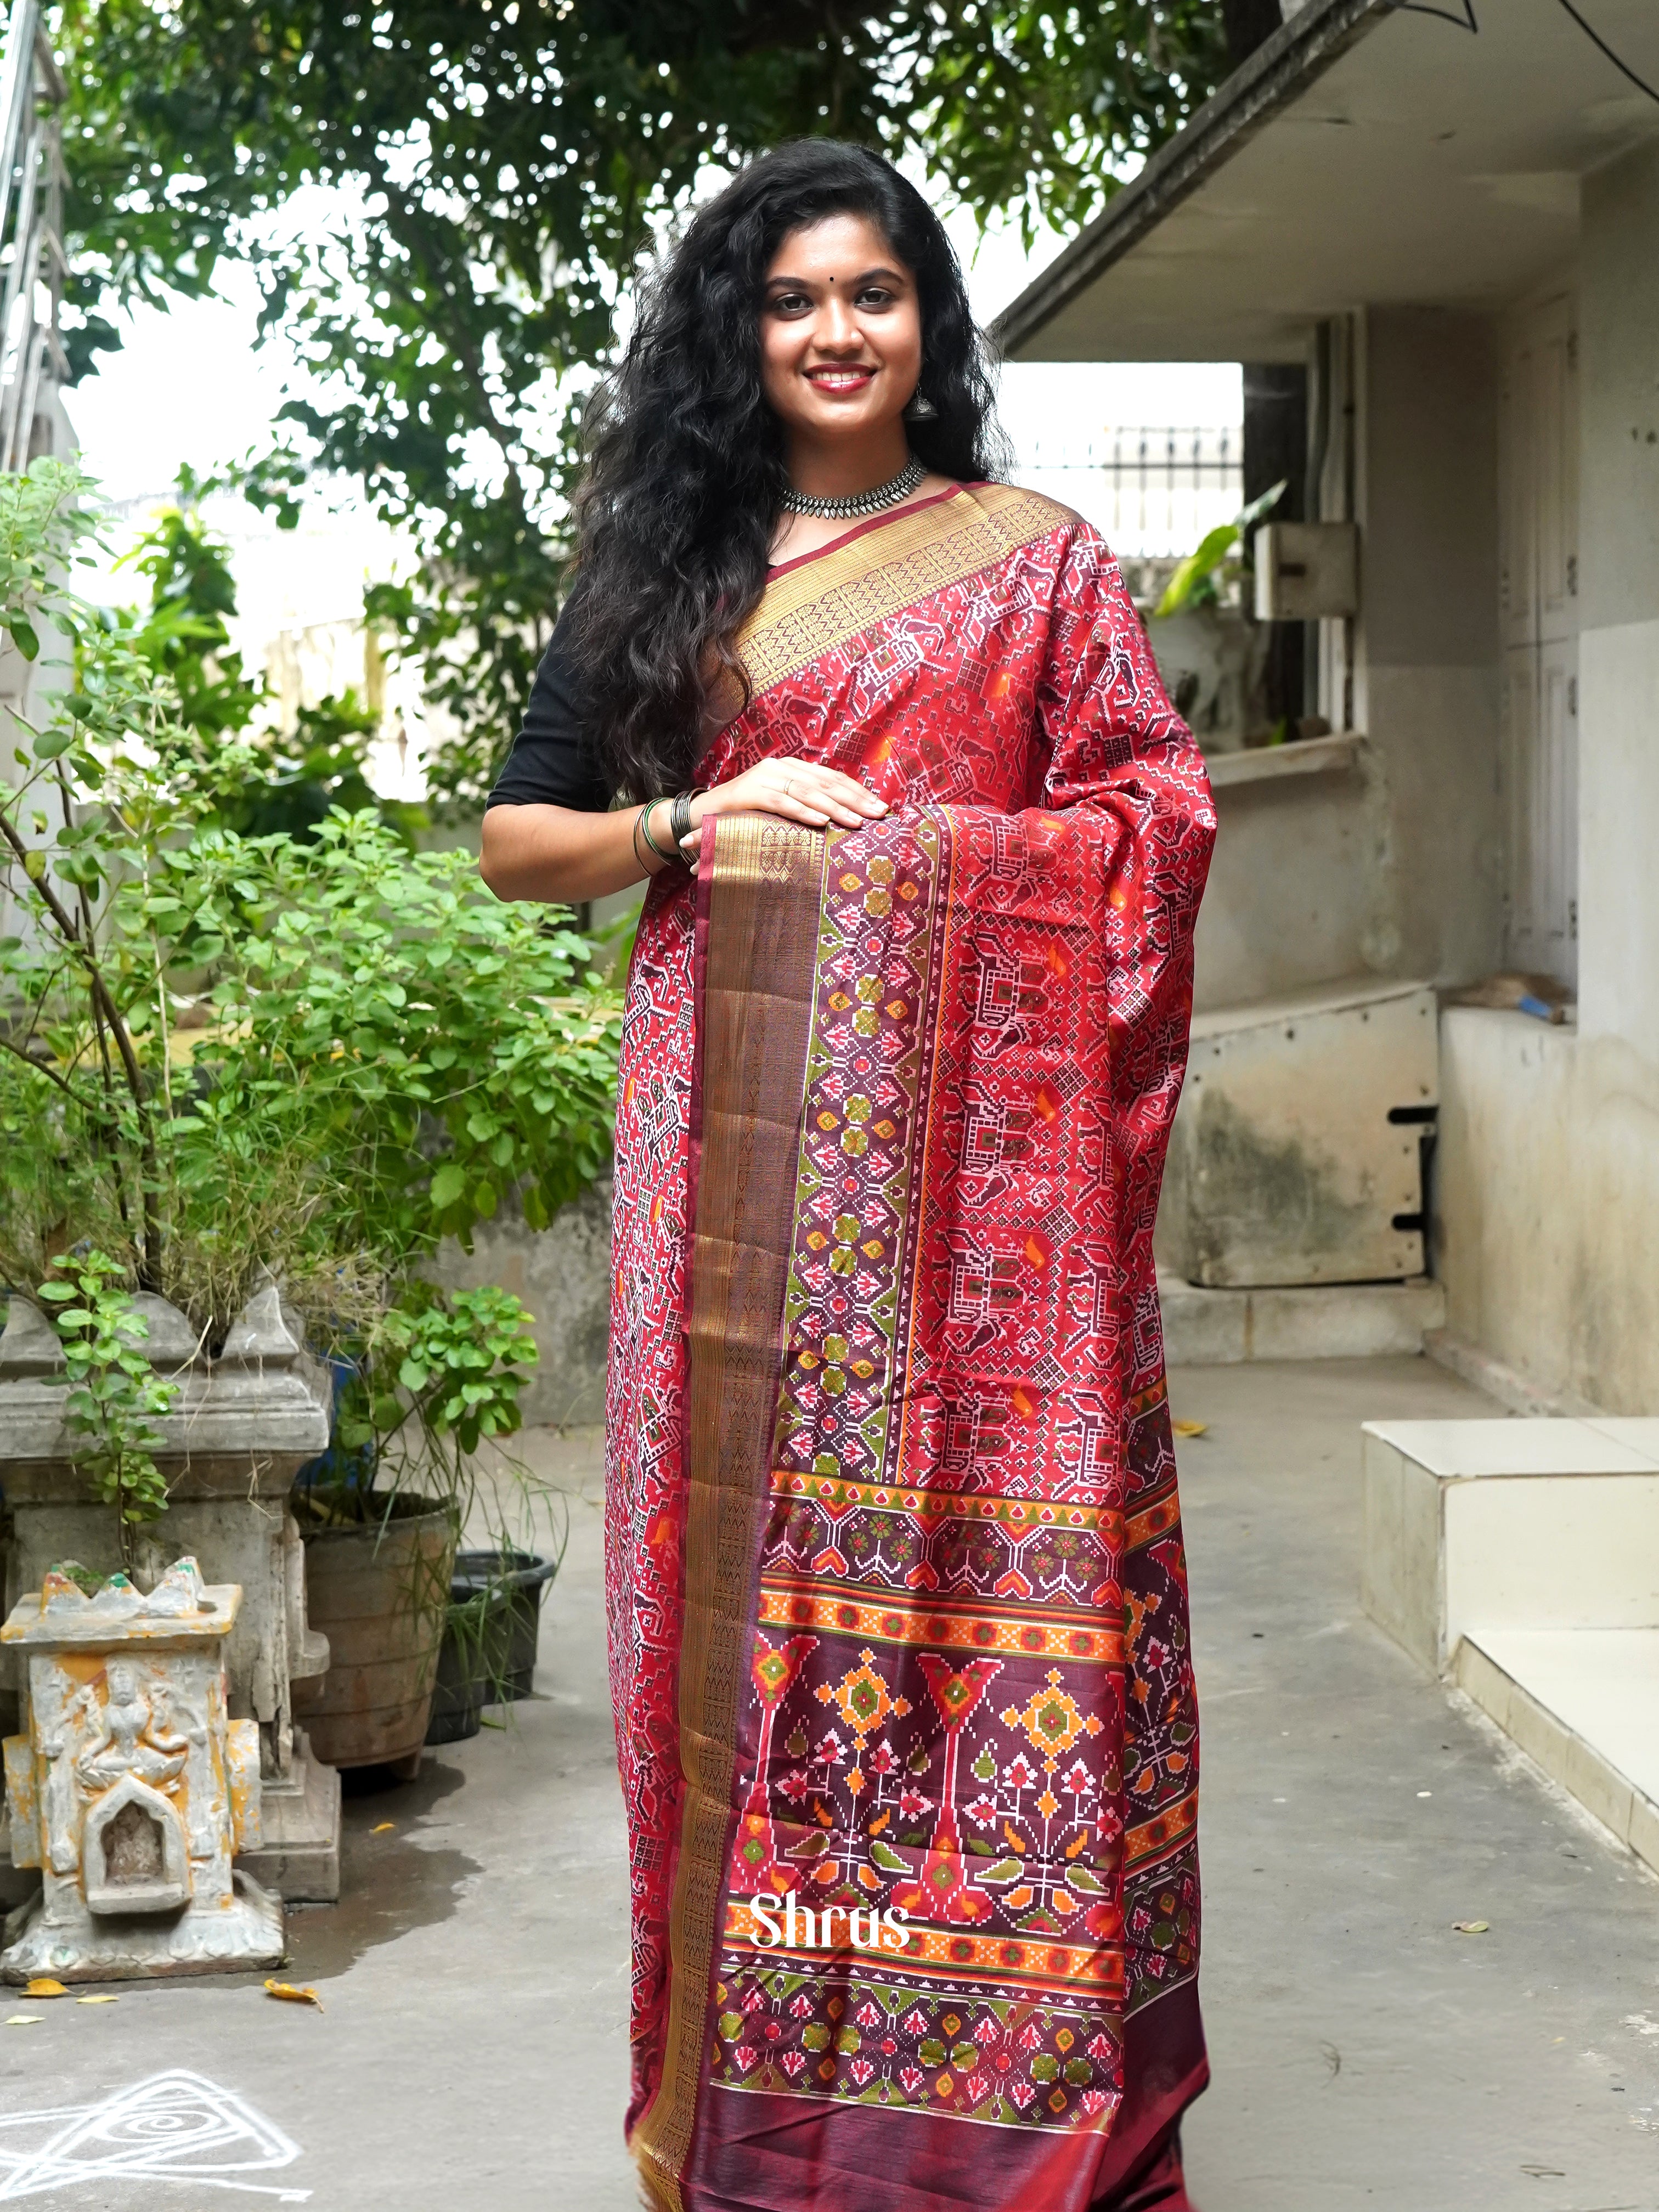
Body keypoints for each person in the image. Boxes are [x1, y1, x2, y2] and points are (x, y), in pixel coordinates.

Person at [482, 138, 1215, 2212]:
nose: (834, 332)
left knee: (987, 1594)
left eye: (873, 296)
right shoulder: (674, 573)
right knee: (737, 1613)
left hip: (988, 1228)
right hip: (736, 1172)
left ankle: (997, 2126)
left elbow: (1152, 818)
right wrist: (693, 826)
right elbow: (520, 838)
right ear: (748, 330)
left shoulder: (1041, 561)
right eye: (795, 300)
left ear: (927, 324)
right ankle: (754, 2123)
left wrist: (933, 865)